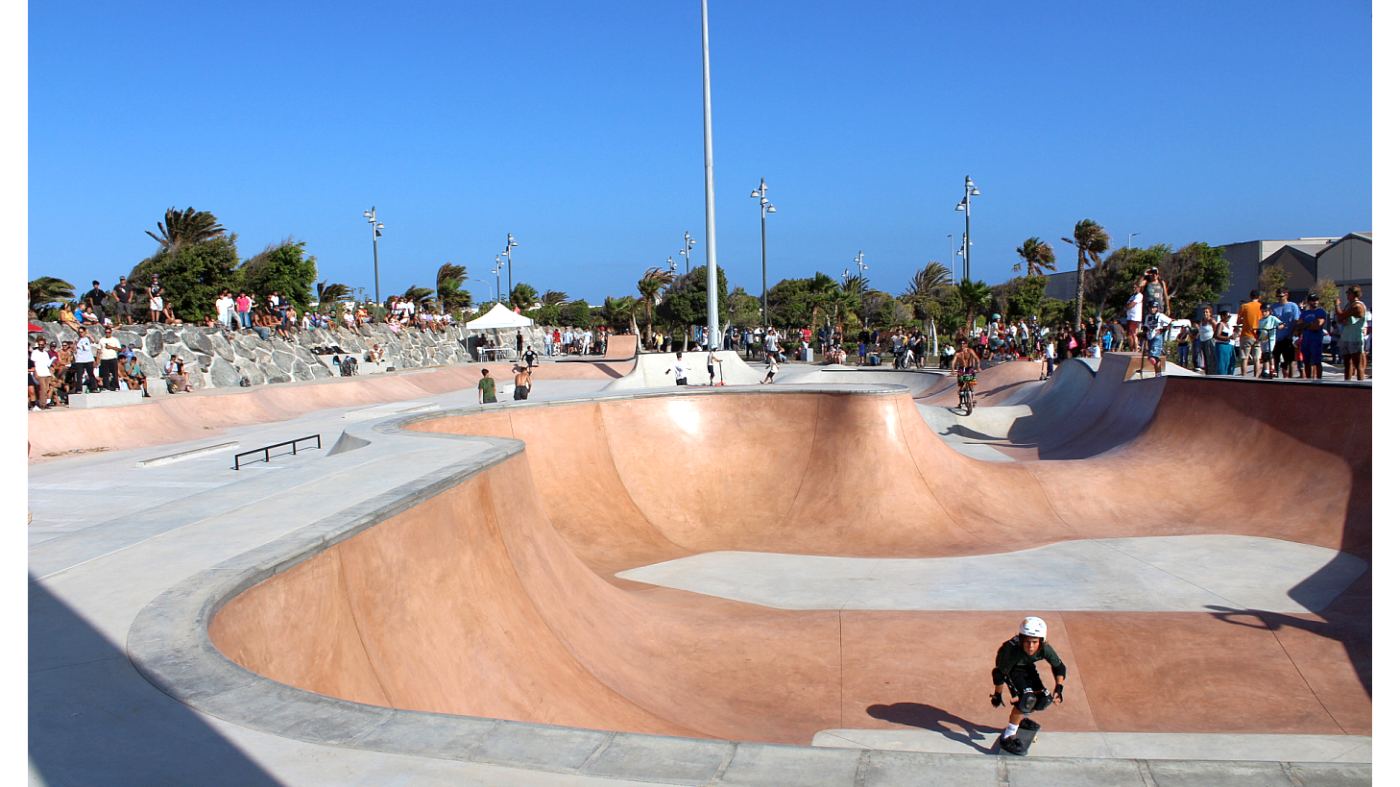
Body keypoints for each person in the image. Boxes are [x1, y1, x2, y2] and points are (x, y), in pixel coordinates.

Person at [990, 616, 1067, 754]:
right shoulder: (1011, 651)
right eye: (1026, 642)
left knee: (1044, 700)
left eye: (1034, 642)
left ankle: (1021, 719)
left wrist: (1059, 688)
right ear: (1020, 639)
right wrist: (997, 694)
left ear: (1041, 641)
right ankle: (1008, 735)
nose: (1030, 647)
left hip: (1027, 666)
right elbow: (999, 674)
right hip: (1009, 668)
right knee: (1027, 700)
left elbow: (1060, 667)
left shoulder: (1045, 648)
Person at [1334, 286, 1368, 381]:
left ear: (1354, 294)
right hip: (1346, 336)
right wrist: (1341, 316)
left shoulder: (1357, 306)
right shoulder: (1349, 305)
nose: (1347, 295)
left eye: (1348, 293)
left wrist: (1337, 305)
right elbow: (1340, 319)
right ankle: (1347, 384)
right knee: (1347, 364)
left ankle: (1360, 385)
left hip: (1355, 338)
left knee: (1358, 365)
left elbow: (1340, 316)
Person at [1270, 289, 1301, 378]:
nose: (1279, 298)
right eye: (1278, 296)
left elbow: (1297, 321)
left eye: (1281, 296)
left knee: (1289, 360)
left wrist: (1293, 334)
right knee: (1276, 359)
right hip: (1277, 338)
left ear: (1286, 295)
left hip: (1289, 337)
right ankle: (1275, 378)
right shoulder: (1274, 306)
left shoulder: (1293, 306)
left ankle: (1290, 379)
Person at [1298, 293, 1329, 380]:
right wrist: (1309, 324)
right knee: (1306, 362)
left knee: (1317, 362)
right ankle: (1308, 380)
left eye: (1316, 300)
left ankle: (1319, 381)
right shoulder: (1304, 313)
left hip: (1316, 340)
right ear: (1308, 302)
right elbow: (1299, 325)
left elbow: (1317, 325)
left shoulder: (1320, 311)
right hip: (1306, 341)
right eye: (1313, 300)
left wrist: (1306, 325)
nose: (1315, 302)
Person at [1236, 290, 1264, 377]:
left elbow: (1238, 321)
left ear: (1250, 296)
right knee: (1257, 358)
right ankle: (1256, 377)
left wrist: (1245, 320)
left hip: (1246, 334)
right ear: (1259, 297)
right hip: (1258, 335)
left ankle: (1244, 377)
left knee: (1244, 358)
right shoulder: (1261, 307)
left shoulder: (1244, 306)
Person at [1141, 302, 1172, 376]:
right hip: (1150, 337)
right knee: (1152, 357)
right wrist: (1144, 334)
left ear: (1156, 308)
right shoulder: (1147, 316)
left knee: (1153, 357)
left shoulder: (1160, 316)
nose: (1152, 309)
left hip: (1157, 338)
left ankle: (1158, 374)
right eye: (1151, 308)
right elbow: (1145, 326)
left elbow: (1170, 322)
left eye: (1154, 308)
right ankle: (1158, 374)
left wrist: (1162, 330)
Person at [1256, 303, 1282, 379]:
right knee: (1265, 355)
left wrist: (1278, 327)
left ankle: (1272, 369)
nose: (1264, 313)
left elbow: (1281, 324)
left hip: (1270, 339)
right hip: (1263, 340)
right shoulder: (1260, 320)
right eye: (1262, 311)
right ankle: (1266, 370)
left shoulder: (1272, 318)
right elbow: (1259, 331)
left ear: (1269, 311)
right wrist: (1257, 337)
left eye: (1265, 311)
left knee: (1269, 354)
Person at [30, 338, 55, 409]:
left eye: (42, 344)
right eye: (39, 344)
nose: (41, 346)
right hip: (40, 373)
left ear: (44, 345)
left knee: (47, 389)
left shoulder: (45, 353)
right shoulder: (35, 352)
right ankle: (42, 404)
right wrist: (35, 373)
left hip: (46, 373)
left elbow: (48, 364)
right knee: (43, 389)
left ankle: (45, 403)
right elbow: (33, 363)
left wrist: (51, 373)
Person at [1214, 308, 1236, 376]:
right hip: (1222, 346)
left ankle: (1229, 376)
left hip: (1229, 346)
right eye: (1227, 316)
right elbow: (1216, 335)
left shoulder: (1228, 325)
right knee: (1222, 364)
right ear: (1222, 316)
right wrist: (1228, 338)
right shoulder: (1220, 324)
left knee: (1231, 363)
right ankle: (1221, 378)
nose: (1229, 318)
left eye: (1229, 316)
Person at [1123, 286, 1143, 352]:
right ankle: (1133, 348)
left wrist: (1127, 307)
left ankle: (1134, 349)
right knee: (1130, 334)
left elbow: (1132, 304)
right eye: (1133, 288)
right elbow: (1127, 304)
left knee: (1131, 334)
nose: (1134, 289)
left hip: (1134, 317)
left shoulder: (1139, 295)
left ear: (1139, 288)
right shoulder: (1132, 296)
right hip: (1129, 317)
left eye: (1135, 287)